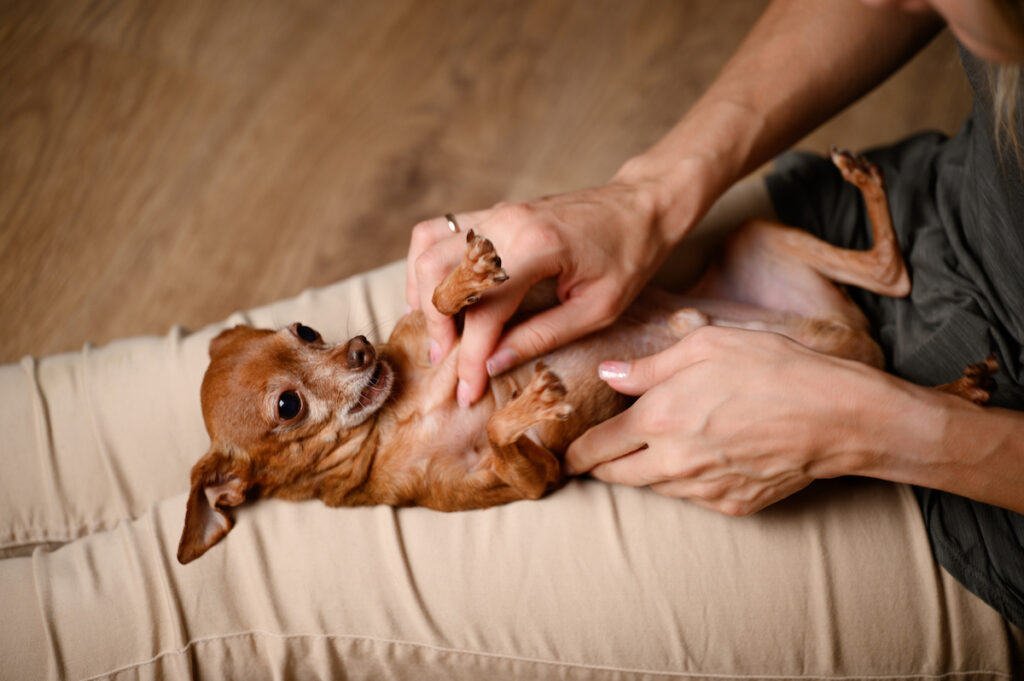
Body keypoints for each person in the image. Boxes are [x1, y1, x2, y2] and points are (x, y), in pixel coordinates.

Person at [0, 1, 1021, 679]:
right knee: (57, 427)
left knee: (142, 622)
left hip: (964, 503)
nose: (345, 354)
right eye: (300, 371)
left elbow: (521, 468)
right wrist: (649, 192)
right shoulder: (353, 391)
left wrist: (892, 432)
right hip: (890, 226)